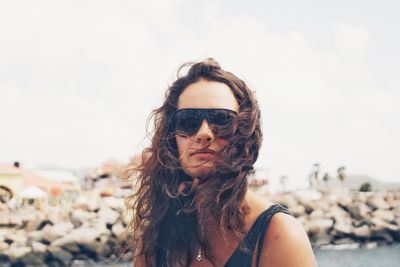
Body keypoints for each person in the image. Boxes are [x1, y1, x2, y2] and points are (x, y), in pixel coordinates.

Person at [126, 58, 317, 267]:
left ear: (244, 134)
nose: (204, 133)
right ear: (172, 138)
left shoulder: (278, 234)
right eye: (188, 121)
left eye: (221, 120)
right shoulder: (157, 239)